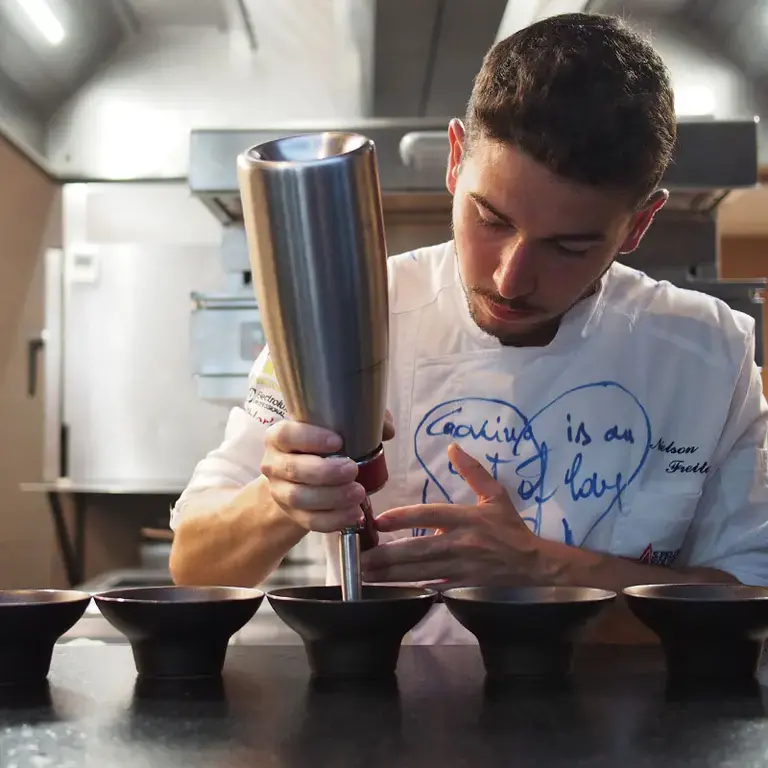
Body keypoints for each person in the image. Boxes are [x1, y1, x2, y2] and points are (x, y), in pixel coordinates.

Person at [169, 12, 768, 643]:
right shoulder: (342, 321)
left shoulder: (711, 352)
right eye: (492, 219)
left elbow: (752, 598)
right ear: (456, 160)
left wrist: (546, 569)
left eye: (569, 246)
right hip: (389, 728)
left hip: (637, 729)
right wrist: (279, 501)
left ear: (639, 226)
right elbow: (194, 565)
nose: (512, 278)